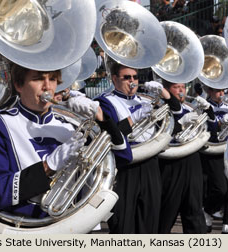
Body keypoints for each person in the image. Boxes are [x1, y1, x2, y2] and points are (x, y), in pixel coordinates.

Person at [0, 63, 132, 219]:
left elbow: (123, 157)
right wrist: (48, 166)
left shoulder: (71, 123)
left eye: (52, 79)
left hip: (74, 221)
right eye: (38, 79)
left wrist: (101, 117)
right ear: (19, 85)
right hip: (26, 227)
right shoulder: (1, 124)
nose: (47, 87)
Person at [94, 62, 181, 233]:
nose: (132, 81)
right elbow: (111, 134)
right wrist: (135, 118)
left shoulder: (145, 100)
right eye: (126, 77)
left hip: (151, 165)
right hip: (125, 168)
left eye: (135, 77)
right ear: (114, 79)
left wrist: (165, 93)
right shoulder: (105, 101)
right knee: (123, 224)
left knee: (149, 220)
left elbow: (176, 120)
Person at [158, 80, 216, 233]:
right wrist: (181, 123)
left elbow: (213, 135)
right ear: (167, 90)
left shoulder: (191, 108)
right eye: (176, 87)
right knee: (166, 213)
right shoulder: (159, 108)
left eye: (183, 87)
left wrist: (209, 112)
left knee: (194, 212)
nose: (181, 91)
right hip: (171, 164)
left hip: (193, 162)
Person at [200, 86, 228, 234]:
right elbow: (204, 129)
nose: (221, 94)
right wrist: (219, 123)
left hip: (227, 149)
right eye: (218, 91)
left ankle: (226, 223)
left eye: (223, 91)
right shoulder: (204, 107)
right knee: (220, 188)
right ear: (209, 91)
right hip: (213, 151)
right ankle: (208, 210)